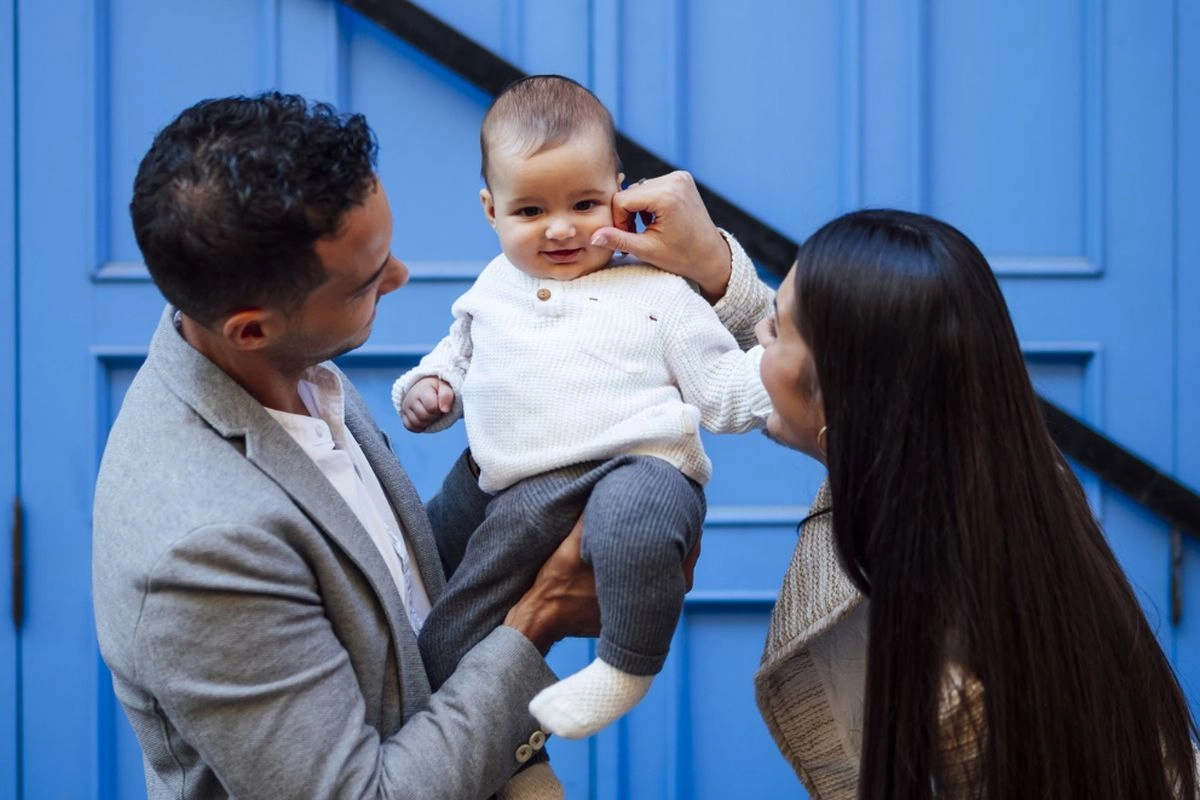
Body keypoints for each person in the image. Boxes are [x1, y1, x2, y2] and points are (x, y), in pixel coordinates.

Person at [90, 92, 766, 800]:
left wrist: (712, 271)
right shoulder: (201, 550)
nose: (402, 276)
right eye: (367, 280)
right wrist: (538, 617)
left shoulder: (284, 365)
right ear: (252, 328)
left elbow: (391, 589)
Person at [750, 208, 1200, 798]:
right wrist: (720, 270)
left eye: (776, 326)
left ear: (845, 398)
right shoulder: (1001, 472)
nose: (758, 331)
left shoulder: (958, 690)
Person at [392, 74, 772, 756]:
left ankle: (625, 666)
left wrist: (780, 368)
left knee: (633, 522)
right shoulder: (494, 289)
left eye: (585, 203)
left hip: (642, 466)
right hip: (522, 492)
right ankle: (501, 765)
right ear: (491, 210)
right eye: (530, 210)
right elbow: (456, 358)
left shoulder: (660, 289)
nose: (562, 227)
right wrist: (429, 389)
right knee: (450, 634)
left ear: (619, 193)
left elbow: (720, 388)